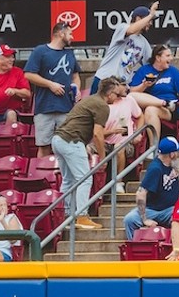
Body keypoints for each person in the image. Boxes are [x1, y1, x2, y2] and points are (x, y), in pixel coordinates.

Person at [52, 77, 126, 230]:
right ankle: (82, 216)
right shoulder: (102, 106)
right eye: (118, 95)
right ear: (110, 93)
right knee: (84, 179)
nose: (119, 99)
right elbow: (98, 134)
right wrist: (103, 157)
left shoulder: (90, 99)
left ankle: (66, 216)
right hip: (72, 140)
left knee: (69, 180)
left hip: (59, 140)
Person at [25, 19, 80, 158]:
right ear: (61, 34)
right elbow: (29, 74)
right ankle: (43, 176)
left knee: (68, 146)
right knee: (44, 147)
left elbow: (75, 76)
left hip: (66, 107)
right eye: (70, 34)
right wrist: (50, 84)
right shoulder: (40, 51)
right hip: (45, 107)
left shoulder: (70, 53)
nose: (72, 37)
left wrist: (77, 88)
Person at [124, 137, 179, 240]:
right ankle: (135, 251)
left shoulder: (172, 165)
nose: (178, 154)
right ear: (172, 154)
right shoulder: (155, 168)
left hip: (170, 209)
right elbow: (140, 193)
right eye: (176, 152)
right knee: (129, 219)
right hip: (152, 210)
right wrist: (144, 219)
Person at [130, 44, 179, 139]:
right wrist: (144, 85)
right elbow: (132, 91)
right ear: (158, 58)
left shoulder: (173, 71)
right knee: (132, 96)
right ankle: (164, 103)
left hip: (170, 109)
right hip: (154, 104)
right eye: (168, 56)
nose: (171, 58)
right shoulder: (144, 70)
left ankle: (153, 149)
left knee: (150, 110)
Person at [92, 2, 158, 92]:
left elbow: (151, 63)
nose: (150, 23)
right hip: (104, 80)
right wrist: (150, 15)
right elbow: (131, 30)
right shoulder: (122, 27)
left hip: (121, 86)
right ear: (138, 18)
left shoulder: (144, 42)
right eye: (148, 20)